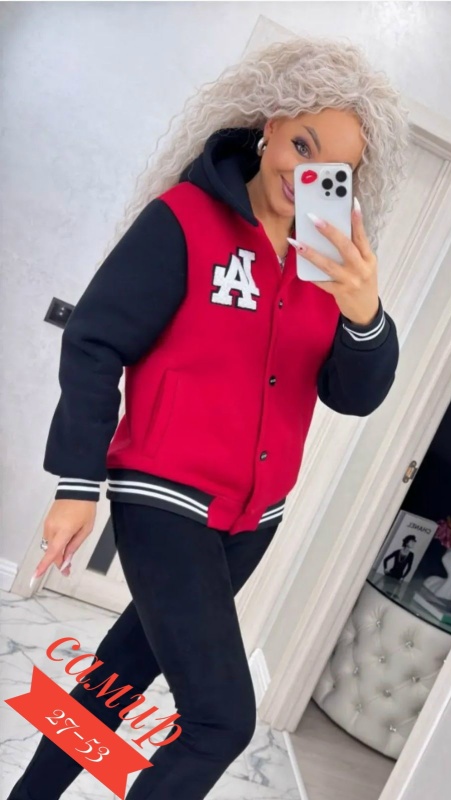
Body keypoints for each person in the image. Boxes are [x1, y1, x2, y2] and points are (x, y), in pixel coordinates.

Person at [10, 36, 409, 799]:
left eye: (334, 169)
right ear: (270, 124)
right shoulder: (185, 220)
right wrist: (76, 485)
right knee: (221, 721)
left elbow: (353, 394)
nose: (305, 173)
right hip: (164, 499)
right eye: (302, 144)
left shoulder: (328, 265)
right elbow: (95, 341)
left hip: (254, 518)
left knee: (121, 670)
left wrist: (365, 314)